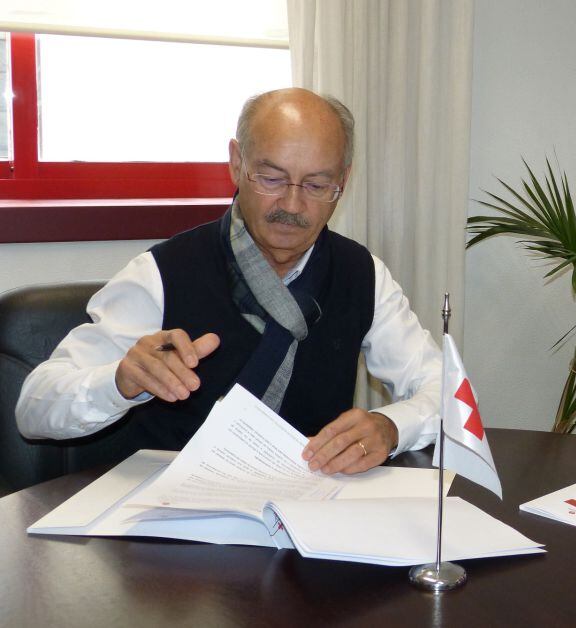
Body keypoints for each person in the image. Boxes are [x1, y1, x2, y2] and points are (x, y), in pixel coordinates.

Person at [17, 88, 440, 475]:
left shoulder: (361, 274)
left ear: (342, 181)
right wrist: (119, 380)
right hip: (173, 523)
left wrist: (391, 426)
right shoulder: (163, 273)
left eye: (316, 184)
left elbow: (445, 391)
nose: (292, 204)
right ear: (237, 163)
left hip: (308, 512)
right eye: (272, 178)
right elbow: (34, 407)